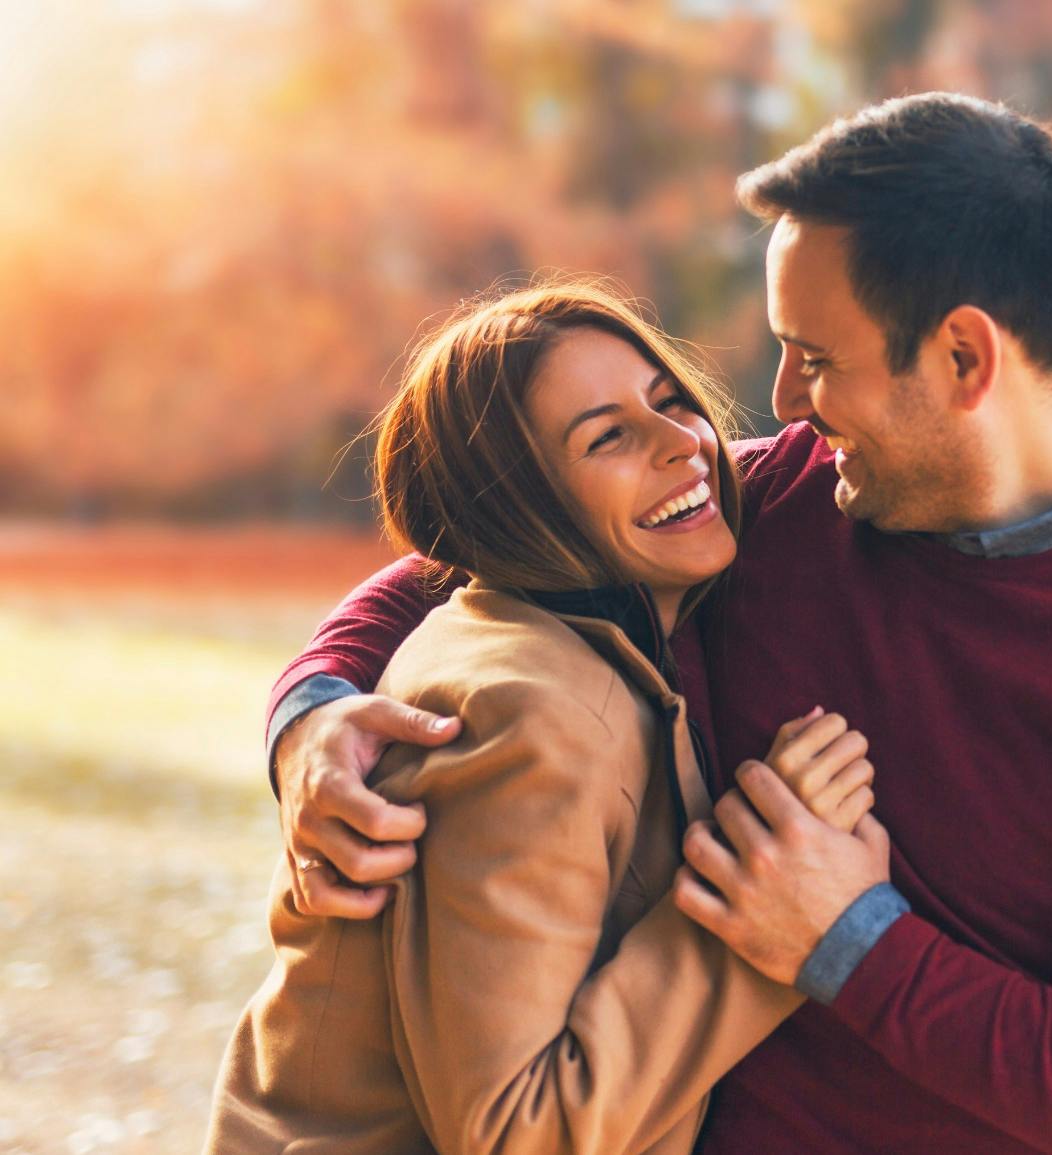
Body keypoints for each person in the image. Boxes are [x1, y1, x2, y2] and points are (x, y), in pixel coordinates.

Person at [263, 93, 1052, 1154]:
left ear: (964, 359)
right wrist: (313, 715)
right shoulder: (782, 504)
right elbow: (488, 549)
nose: (782, 400)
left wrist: (852, 942)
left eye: (816, 358)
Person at [205, 282, 882, 1154]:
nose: (683, 444)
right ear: (515, 509)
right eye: (608, 436)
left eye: (671, 401)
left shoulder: (577, 647)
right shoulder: (525, 715)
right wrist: (764, 906)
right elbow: (513, 1133)